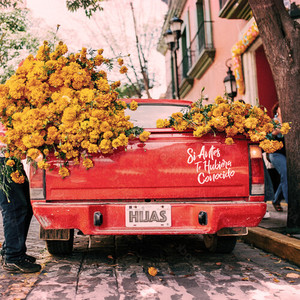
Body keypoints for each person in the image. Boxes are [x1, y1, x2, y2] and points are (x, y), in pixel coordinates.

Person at [0, 123, 41, 273]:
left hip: (11, 157)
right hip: (3, 159)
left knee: (24, 206)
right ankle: (13, 256)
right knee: (14, 207)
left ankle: (12, 250)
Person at [268, 102, 288, 212]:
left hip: (286, 153)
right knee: (285, 173)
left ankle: (276, 199)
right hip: (276, 153)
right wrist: (278, 130)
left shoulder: (289, 120)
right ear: (277, 110)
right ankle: (291, 203)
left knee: (286, 177)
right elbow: (270, 134)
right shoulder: (274, 121)